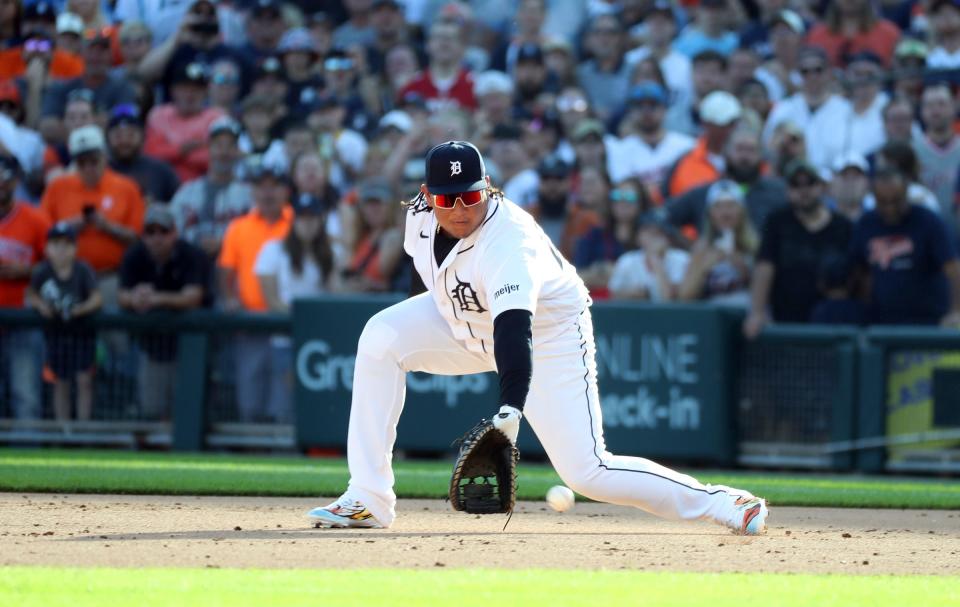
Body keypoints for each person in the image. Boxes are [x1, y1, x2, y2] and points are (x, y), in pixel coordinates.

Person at [306, 141, 769, 534]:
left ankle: (725, 503)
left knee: (588, 472)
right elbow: (424, 273)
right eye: (448, 200)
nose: (461, 209)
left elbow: (513, 331)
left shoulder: (510, 241)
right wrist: (417, 320)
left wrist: (509, 411)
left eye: (471, 196)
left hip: (548, 336)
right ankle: (367, 497)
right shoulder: (420, 214)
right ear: (428, 195)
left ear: (487, 187)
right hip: (464, 317)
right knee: (381, 336)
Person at [218, 159, 293, 423]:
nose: (268, 193)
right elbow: (226, 271)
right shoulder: (239, 227)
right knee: (249, 400)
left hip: (287, 324)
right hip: (251, 323)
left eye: (274, 186)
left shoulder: (296, 222)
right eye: (262, 187)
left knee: (284, 402)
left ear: (285, 191)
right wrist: (228, 299)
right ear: (253, 191)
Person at [743, 160, 853, 337]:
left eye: (810, 183)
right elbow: (764, 266)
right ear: (787, 190)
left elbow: (856, 273)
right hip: (784, 320)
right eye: (795, 184)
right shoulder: (777, 221)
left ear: (821, 186)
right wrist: (757, 312)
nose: (804, 190)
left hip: (830, 324)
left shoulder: (843, 226)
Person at [118, 205, 208, 420]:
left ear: (174, 233)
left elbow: (193, 297)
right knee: (151, 409)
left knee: (187, 411)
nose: (157, 238)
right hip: (153, 347)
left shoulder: (191, 254)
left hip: (191, 348)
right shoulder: (135, 254)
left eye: (163, 232)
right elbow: (122, 295)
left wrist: (155, 298)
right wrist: (135, 298)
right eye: (151, 232)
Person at [40, 125, 145, 308]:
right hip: (66, 278)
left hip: (110, 277)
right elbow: (42, 235)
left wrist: (106, 226)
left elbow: (138, 238)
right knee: (65, 334)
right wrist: (68, 228)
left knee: (113, 333)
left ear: (104, 157)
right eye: (82, 162)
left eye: (94, 161)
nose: (88, 168)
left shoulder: (126, 187)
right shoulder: (57, 187)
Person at [849, 167, 960, 326]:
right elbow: (860, 272)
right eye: (883, 202)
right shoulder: (866, 224)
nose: (890, 208)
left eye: (896, 200)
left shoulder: (927, 221)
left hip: (929, 320)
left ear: (907, 192)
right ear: (873, 197)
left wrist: (956, 311)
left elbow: (953, 269)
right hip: (882, 322)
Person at [25, 222, 102, 423]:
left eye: (67, 244)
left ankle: (83, 430)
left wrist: (81, 309)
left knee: (84, 380)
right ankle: (63, 430)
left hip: (82, 334)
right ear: (47, 248)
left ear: (75, 248)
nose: (61, 249)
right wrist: (41, 306)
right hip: (56, 335)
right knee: (61, 382)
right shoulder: (43, 270)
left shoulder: (82, 269)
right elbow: (31, 294)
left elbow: (97, 298)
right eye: (56, 244)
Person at [0, 155, 48, 420]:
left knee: (25, 395)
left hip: (23, 319)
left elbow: (59, 268)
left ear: (15, 182)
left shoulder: (35, 219)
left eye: (5, 179)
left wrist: (27, 270)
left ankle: (27, 451)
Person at [170, 117, 251, 259]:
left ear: (238, 151)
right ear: (209, 148)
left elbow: (257, 234)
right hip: (192, 265)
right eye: (219, 145)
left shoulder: (249, 194)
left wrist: (225, 243)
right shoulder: (187, 191)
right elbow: (171, 231)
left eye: (230, 146)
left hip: (233, 264)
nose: (224, 152)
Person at [678, 180, 758, 307]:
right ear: (710, 213)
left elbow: (769, 294)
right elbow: (684, 297)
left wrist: (746, 271)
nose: (725, 213)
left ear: (742, 211)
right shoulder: (702, 248)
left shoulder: (755, 247)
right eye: (718, 206)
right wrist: (704, 269)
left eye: (731, 205)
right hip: (712, 319)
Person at [106, 104, 181, 206]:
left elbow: (178, 207)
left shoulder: (161, 171)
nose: (124, 141)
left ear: (142, 136)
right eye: (118, 136)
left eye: (131, 135)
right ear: (108, 138)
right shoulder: (100, 171)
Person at [608, 217, 689, 301]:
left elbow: (669, 299)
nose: (654, 236)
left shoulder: (682, 259)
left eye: (659, 232)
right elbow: (613, 294)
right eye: (648, 231)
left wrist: (655, 259)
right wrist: (633, 294)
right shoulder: (627, 260)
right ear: (638, 237)